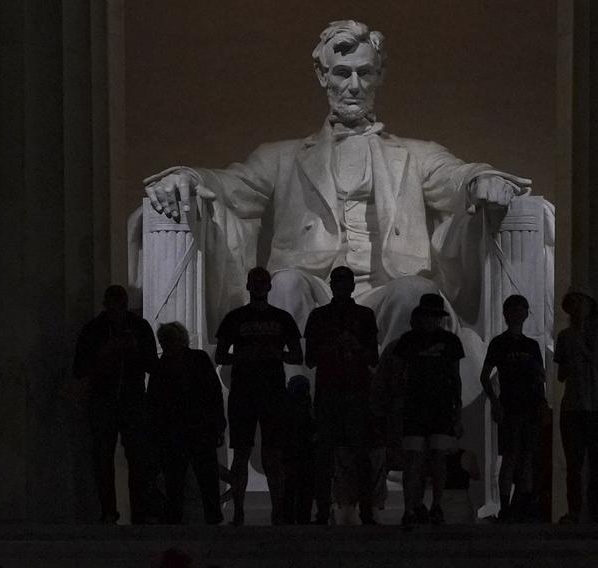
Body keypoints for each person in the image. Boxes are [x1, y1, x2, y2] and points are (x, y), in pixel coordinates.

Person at [142, 19, 532, 369]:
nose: (354, 86)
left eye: (365, 73)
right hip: (312, 291)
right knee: (285, 284)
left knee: (416, 291)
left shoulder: (416, 154)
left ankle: (391, 405)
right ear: (322, 74)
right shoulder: (281, 156)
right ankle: (291, 402)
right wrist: (188, 176)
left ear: (380, 74)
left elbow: (455, 177)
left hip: (385, 290)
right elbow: (232, 186)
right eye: (342, 73)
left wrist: (483, 177)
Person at [214, 267, 303, 525]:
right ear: (248, 285)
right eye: (256, 282)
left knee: (273, 454)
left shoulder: (282, 318)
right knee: (241, 452)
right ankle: (239, 511)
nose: (259, 286)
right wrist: (243, 357)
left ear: (269, 286)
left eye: (263, 282)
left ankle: (278, 511)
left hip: (273, 392)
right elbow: (220, 356)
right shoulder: (235, 318)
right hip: (244, 392)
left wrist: (276, 355)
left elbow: (298, 355)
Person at [73, 285, 158, 524]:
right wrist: (104, 352)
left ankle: (138, 511)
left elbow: (153, 365)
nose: (117, 313)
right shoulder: (94, 330)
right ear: (105, 306)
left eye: (120, 308)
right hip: (104, 400)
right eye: (113, 308)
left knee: (137, 458)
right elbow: (79, 368)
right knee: (102, 458)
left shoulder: (139, 327)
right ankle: (109, 511)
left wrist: (135, 350)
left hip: (132, 400)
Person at [304, 266, 382, 525]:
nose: (340, 286)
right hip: (330, 393)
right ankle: (325, 511)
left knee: (360, 456)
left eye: (344, 281)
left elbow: (373, 357)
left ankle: (366, 511)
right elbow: (311, 358)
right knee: (325, 457)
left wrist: (355, 346)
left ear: (350, 286)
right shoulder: (320, 316)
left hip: (356, 392)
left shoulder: (364, 315)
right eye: (337, 281)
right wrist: (335, 346)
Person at [392, 294, 464, 525]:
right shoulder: (408, 341)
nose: (432, 320)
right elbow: (399, 374)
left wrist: (458, 409)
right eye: (428, 316)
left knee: (437, 458)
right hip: (415, 406)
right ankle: (410, 508)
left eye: (436, 316)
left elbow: (455, 377)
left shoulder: (451, 342)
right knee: (414, 459)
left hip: (440, 406)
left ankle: (436, 505)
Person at [148, 322, 225, 525]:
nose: (167, 345)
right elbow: (154, 401)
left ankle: (210, 515)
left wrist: (217, 424)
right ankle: (182, 515)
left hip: (196, 427)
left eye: (169, 341)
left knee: (203, 475)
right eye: (164, 342)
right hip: (178, 429)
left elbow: (213, 393)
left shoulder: (194, 360)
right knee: (177, 478)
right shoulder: (166, 364)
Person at [480, 294, 546, 522]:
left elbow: (539, 378)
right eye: (514, 310)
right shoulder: (499, 343)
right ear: (507, 314)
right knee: (511, 457)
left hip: (528, 407)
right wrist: (496, 402)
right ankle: (508, 506)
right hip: (511, 406)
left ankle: (519, 505)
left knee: (525, 457)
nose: (518, 314)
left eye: (521, 310)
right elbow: (485, 376)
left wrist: (542, 403)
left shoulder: (532, 345)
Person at [554, 290, 598, 523]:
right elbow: (561, 375)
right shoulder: (565, 336)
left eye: (581, 304)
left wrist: (588, 355)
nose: (578, 310)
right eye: (573, 306)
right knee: (574, 463)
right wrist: (572, 362)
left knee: (597, 462)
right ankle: (574, 509)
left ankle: (597, 509)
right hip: (573, 407)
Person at [282, 375, 315, 524]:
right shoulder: (309, 410)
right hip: (306, 455)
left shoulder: (286, 412)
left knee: (290, 487)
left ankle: (289, 517)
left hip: (290, 453)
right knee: (304, 488)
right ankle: (302, 517)